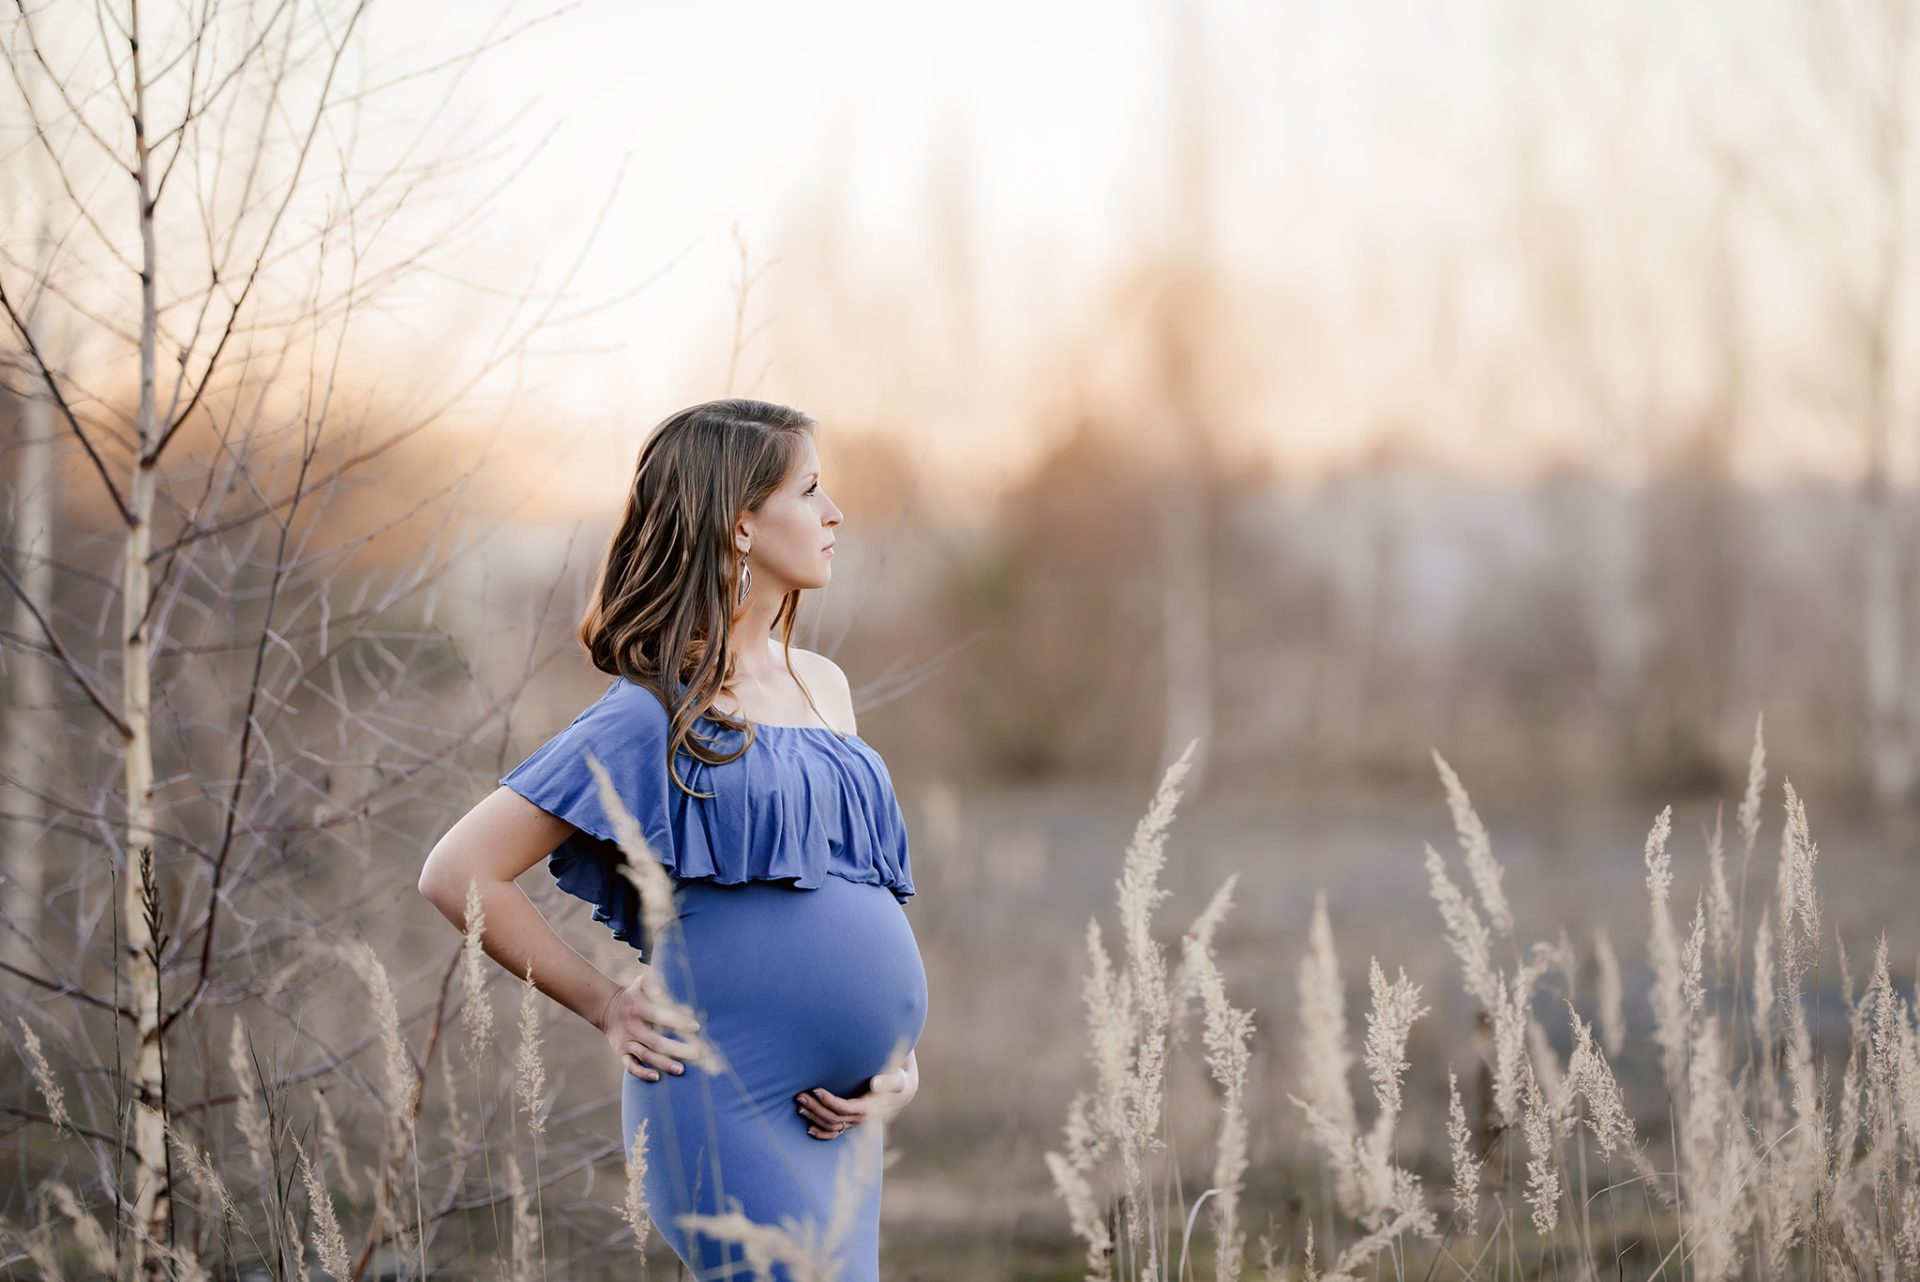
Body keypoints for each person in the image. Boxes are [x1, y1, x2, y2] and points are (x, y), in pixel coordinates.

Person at [418, 398, 927, 1280]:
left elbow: (854, 890)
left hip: (841, 1117)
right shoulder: (655, 708)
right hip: (725, 1097)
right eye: (810, 491)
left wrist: (897, 1060)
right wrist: (603, 1004)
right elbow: (460, 871)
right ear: (740, 523)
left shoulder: (824, 687)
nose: (834, 512)